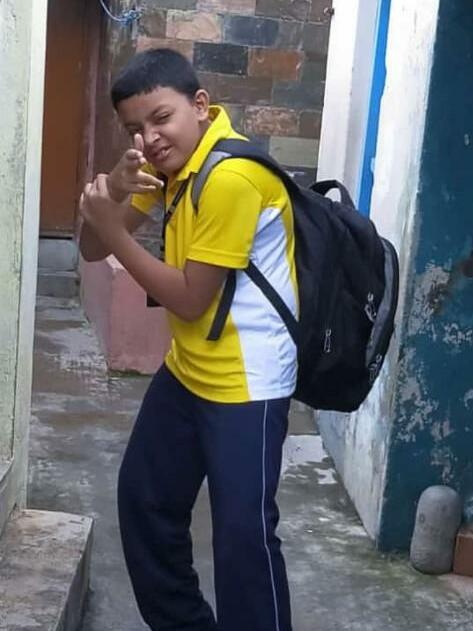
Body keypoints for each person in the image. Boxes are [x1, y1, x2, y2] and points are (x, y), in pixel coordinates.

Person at [79, 47, 298, 631]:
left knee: (243, 537)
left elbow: (189, 297)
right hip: (188, 371)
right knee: (145, 501)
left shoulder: (232, 177)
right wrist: (116, 192)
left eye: (161, 118)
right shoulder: (171, 169)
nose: (149, 138)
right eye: (135, 128)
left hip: (247, 385)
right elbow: (92, 247)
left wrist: (113, 230)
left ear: (199, 106)